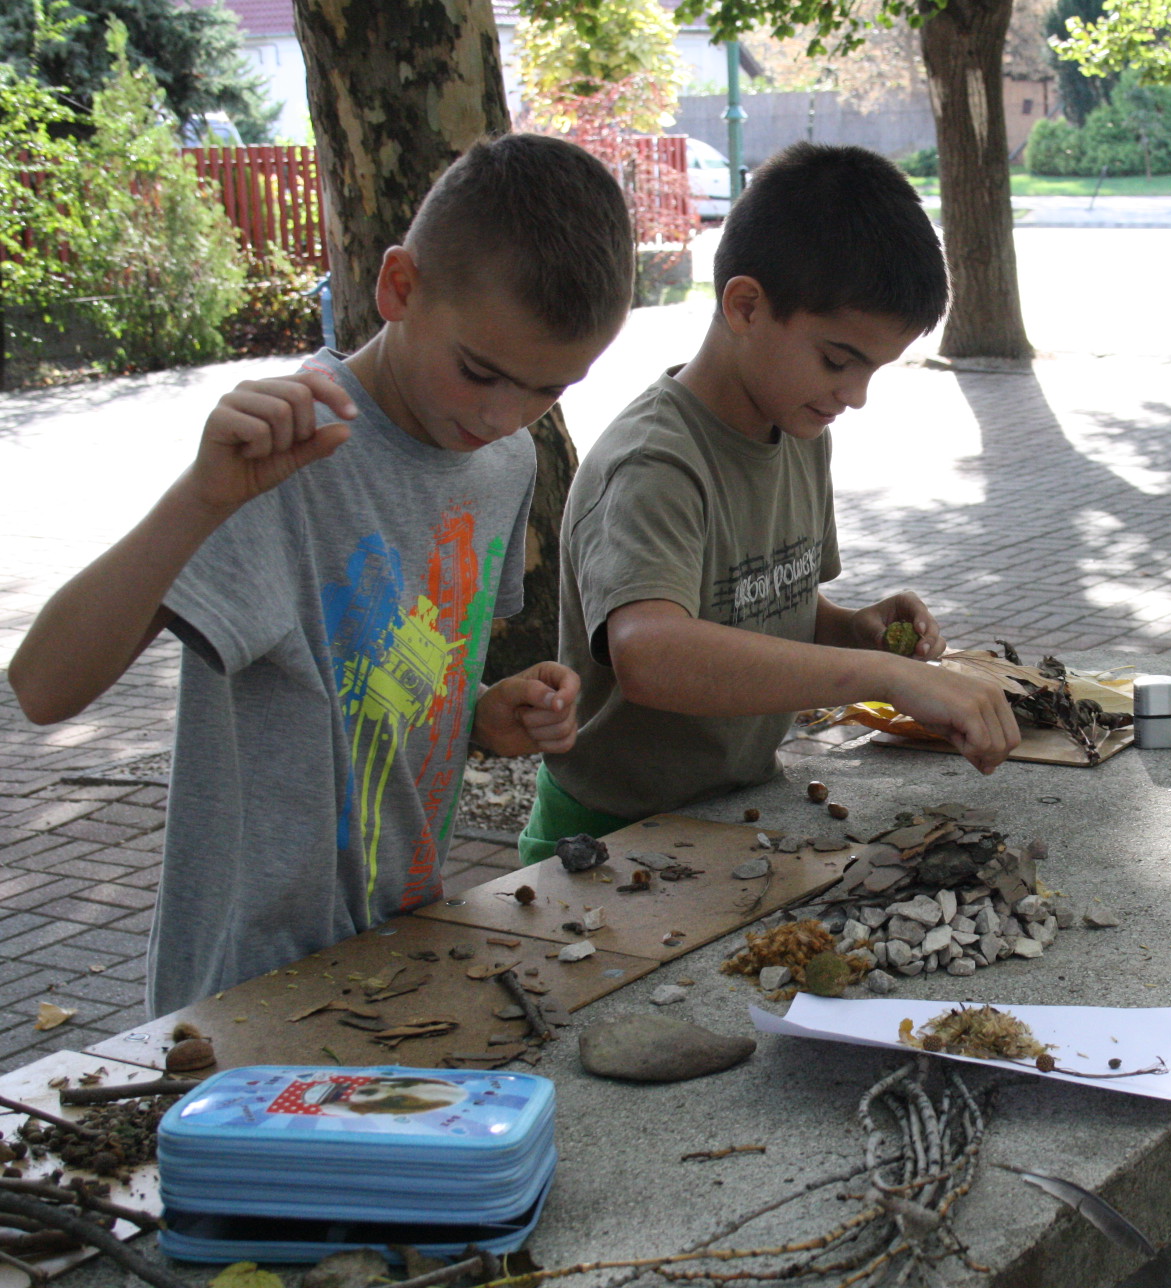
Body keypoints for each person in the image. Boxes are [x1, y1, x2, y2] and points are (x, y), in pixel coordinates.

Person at [7, 133, 636, 1015]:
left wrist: (486, 712)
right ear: (398, 287)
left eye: (549, 390)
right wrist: (200, 498)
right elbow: (43, 688)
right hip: (248, 980)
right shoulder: (284, 450)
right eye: (480, 372)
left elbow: (396, 681)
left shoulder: (503, 464)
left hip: (398, 945)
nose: (504, 414)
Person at [520, 142, 1019, 864]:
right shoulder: (653, 462)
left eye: (874, 370)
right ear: (746, 306)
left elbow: (757, 607)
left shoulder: (798, 427)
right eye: (838, 360)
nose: (855, 395)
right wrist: (888, 676)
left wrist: (853, 631)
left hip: (734, 810)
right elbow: (651, 653)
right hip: (608, 835)